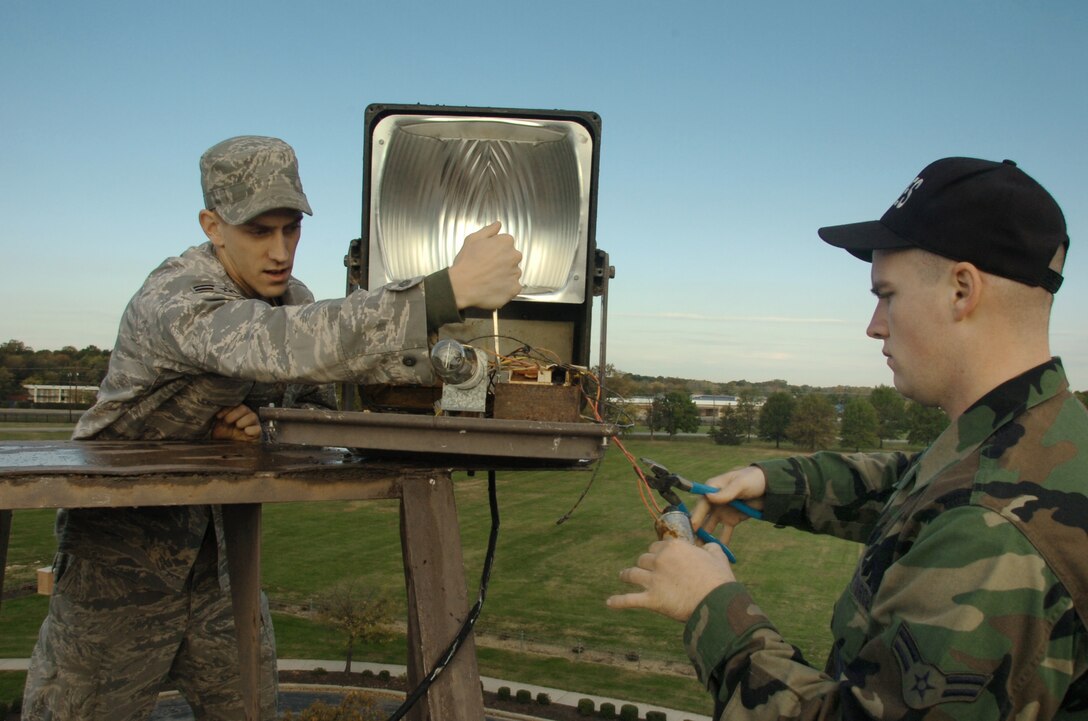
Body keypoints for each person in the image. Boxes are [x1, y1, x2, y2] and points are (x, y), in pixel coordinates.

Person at [22, 135, 523, 721]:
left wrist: (264, 430)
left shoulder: (293, 299)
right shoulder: (176, 296)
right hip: (117, 575)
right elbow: (277, 345)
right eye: (259, 231)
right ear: (213, 226)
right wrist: (443, 292)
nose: (280, 250)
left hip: (224, 574)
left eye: (291, 229)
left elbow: (313, 414)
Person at [608, 157, 1088, 719]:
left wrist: (711, 605)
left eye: (886, 294)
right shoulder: (1036, 436)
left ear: (962, 290)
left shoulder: (991, 528)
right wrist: (775, 483)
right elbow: (919, 485)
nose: (874, 325)